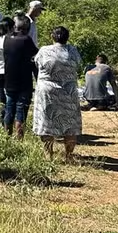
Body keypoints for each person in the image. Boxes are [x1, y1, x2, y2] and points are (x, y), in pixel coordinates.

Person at [34, 26, 84, 163]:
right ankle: (68, 156)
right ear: (67, 37)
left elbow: (37, 64)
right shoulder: (72, 51)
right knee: (70, 125)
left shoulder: (44, 50)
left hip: (48, 91)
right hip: (68, 92)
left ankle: (48, 155)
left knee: (47, 123)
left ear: (52, 37)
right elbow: (78, 65)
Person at [2, 15, 39, 139]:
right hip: (24, 82)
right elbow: (36, 57)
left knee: (9, 109)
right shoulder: (26, 40)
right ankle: (19, 140)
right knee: (21, 111)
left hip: (9, 80)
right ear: (27, 28)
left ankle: (6, 137)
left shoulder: (7, 38)